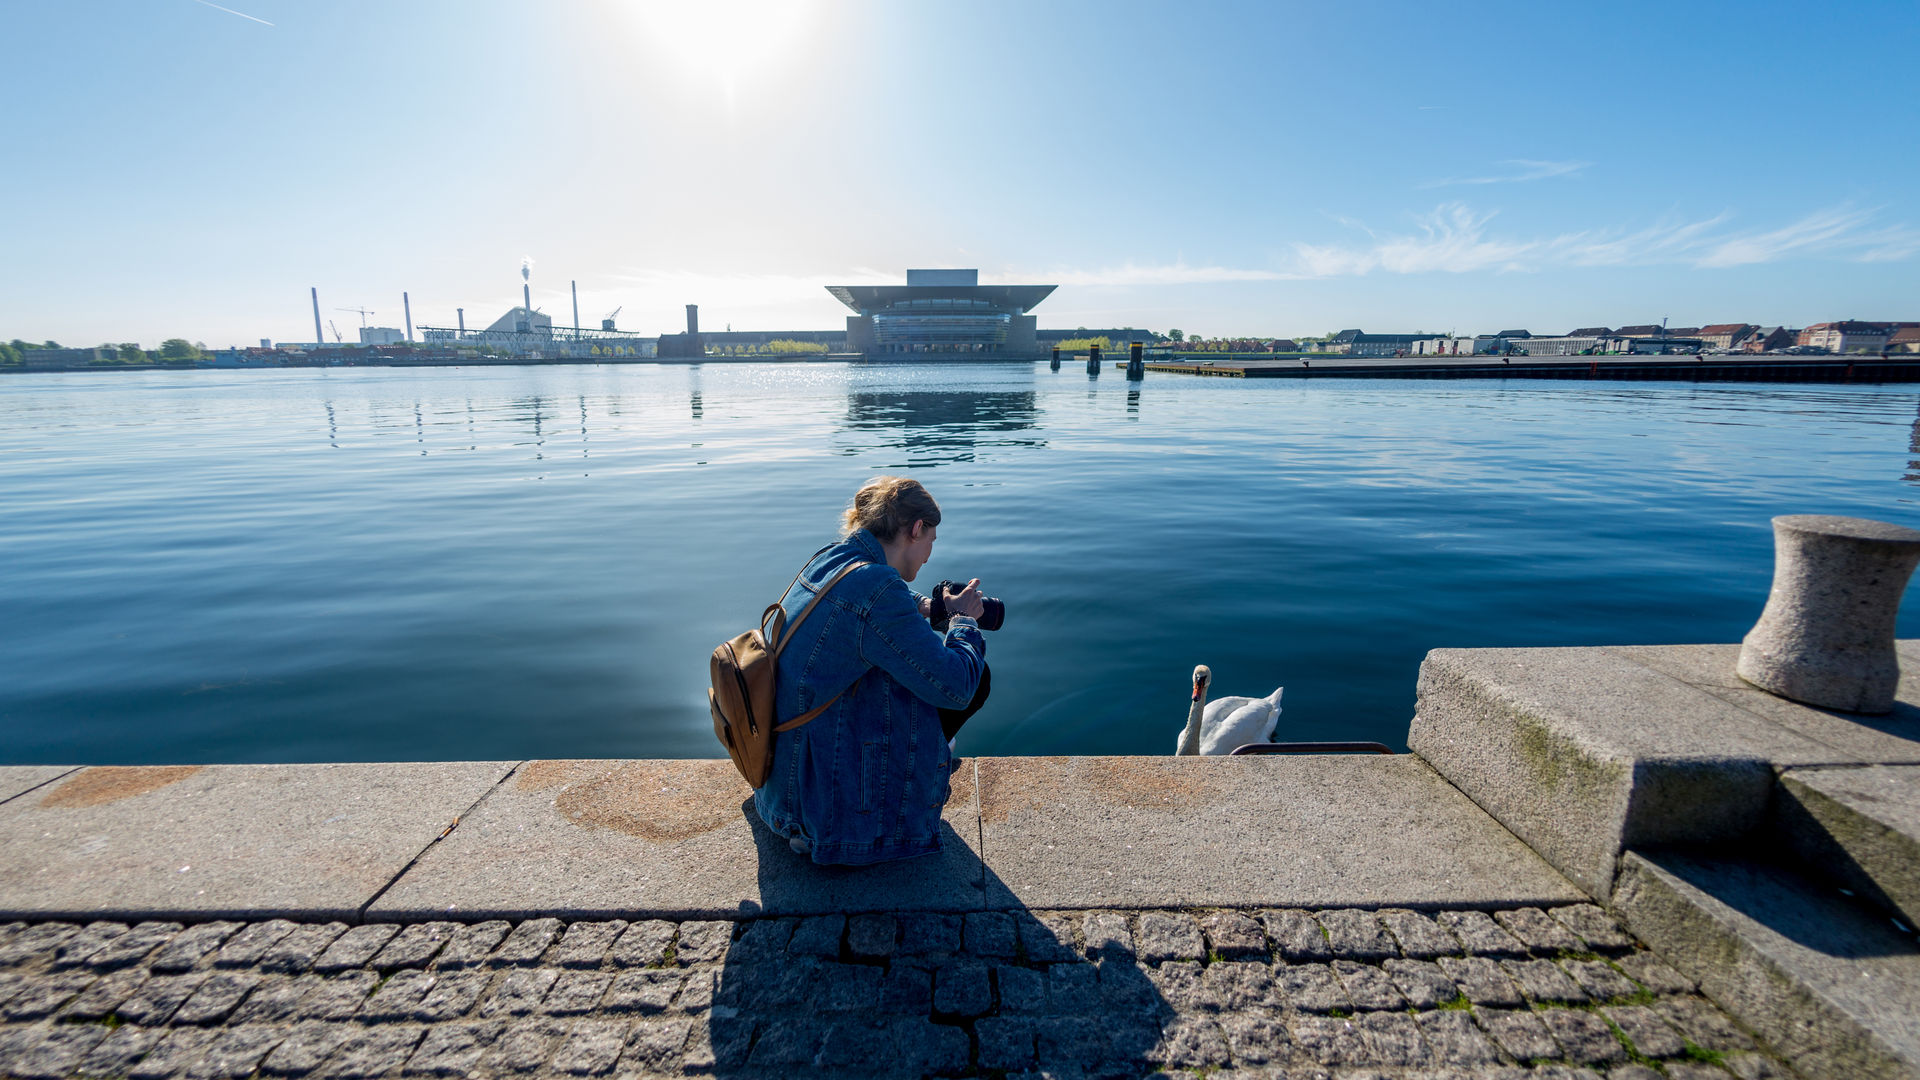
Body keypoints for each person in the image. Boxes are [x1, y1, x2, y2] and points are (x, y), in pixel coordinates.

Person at [752, 476, 987, 865]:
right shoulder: (877, 588)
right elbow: (957, 687)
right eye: (932, 539)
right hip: (820, 814)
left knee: (907, 668)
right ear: (916, 530)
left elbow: (875, 600)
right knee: (971, 672)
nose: (930, 552)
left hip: (783, 783)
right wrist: (963, 622)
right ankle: (901, 788)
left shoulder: (832, 557)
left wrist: (930, 607)